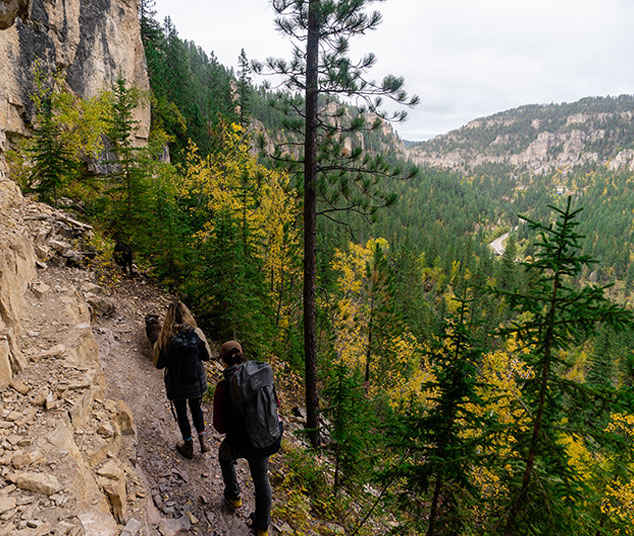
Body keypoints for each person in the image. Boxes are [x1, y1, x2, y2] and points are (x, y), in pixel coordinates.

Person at [213, 340, 281, 536]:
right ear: (242, 355)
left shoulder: (225, 387)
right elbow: (275, 402)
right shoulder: (261, 373)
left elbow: (220, 426)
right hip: (267, 436)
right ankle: (262, 528)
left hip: (244, 440)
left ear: (224, 362)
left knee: (224, 456)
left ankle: (234, 496)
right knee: (261, 480)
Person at [154, 300, 211, 458]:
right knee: (196, 408)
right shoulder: (196, 332)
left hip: (177, 383)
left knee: (181, 412)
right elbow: (207, 356)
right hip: (196, 381)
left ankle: (188, 445)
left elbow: (158, 364)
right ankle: (203, 441)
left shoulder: (165, 337)